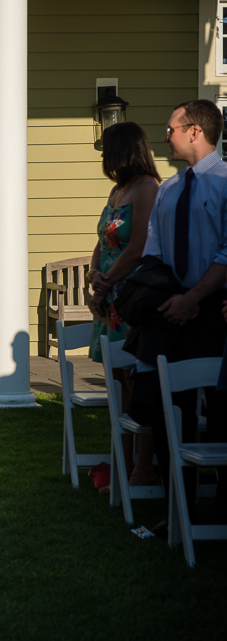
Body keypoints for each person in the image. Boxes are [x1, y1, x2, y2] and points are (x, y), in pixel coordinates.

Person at [124, 99, 227, 537]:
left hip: (217, 313)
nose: (164, 136)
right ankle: (177, 511)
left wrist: (195, 298)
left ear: (195, 131)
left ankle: (221, 512)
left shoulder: (224, 183)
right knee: (169, 415)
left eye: (171, 128)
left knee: (222, 414)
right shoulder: (168, 189)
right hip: (170, 315)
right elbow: (153, 252)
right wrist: (168, 297)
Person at [87, 122, 160, 489]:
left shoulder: (147, 189)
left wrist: (108, 282)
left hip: (129, 297)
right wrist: (92, 275)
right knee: (118, 383)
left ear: (124, 150)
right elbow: (102, 241)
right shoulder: (117, 191)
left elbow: (138, 247)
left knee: (138, 381)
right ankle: (122, 458)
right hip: (108, 296)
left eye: (107, 149)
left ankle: (143, 467)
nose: (103, 156)